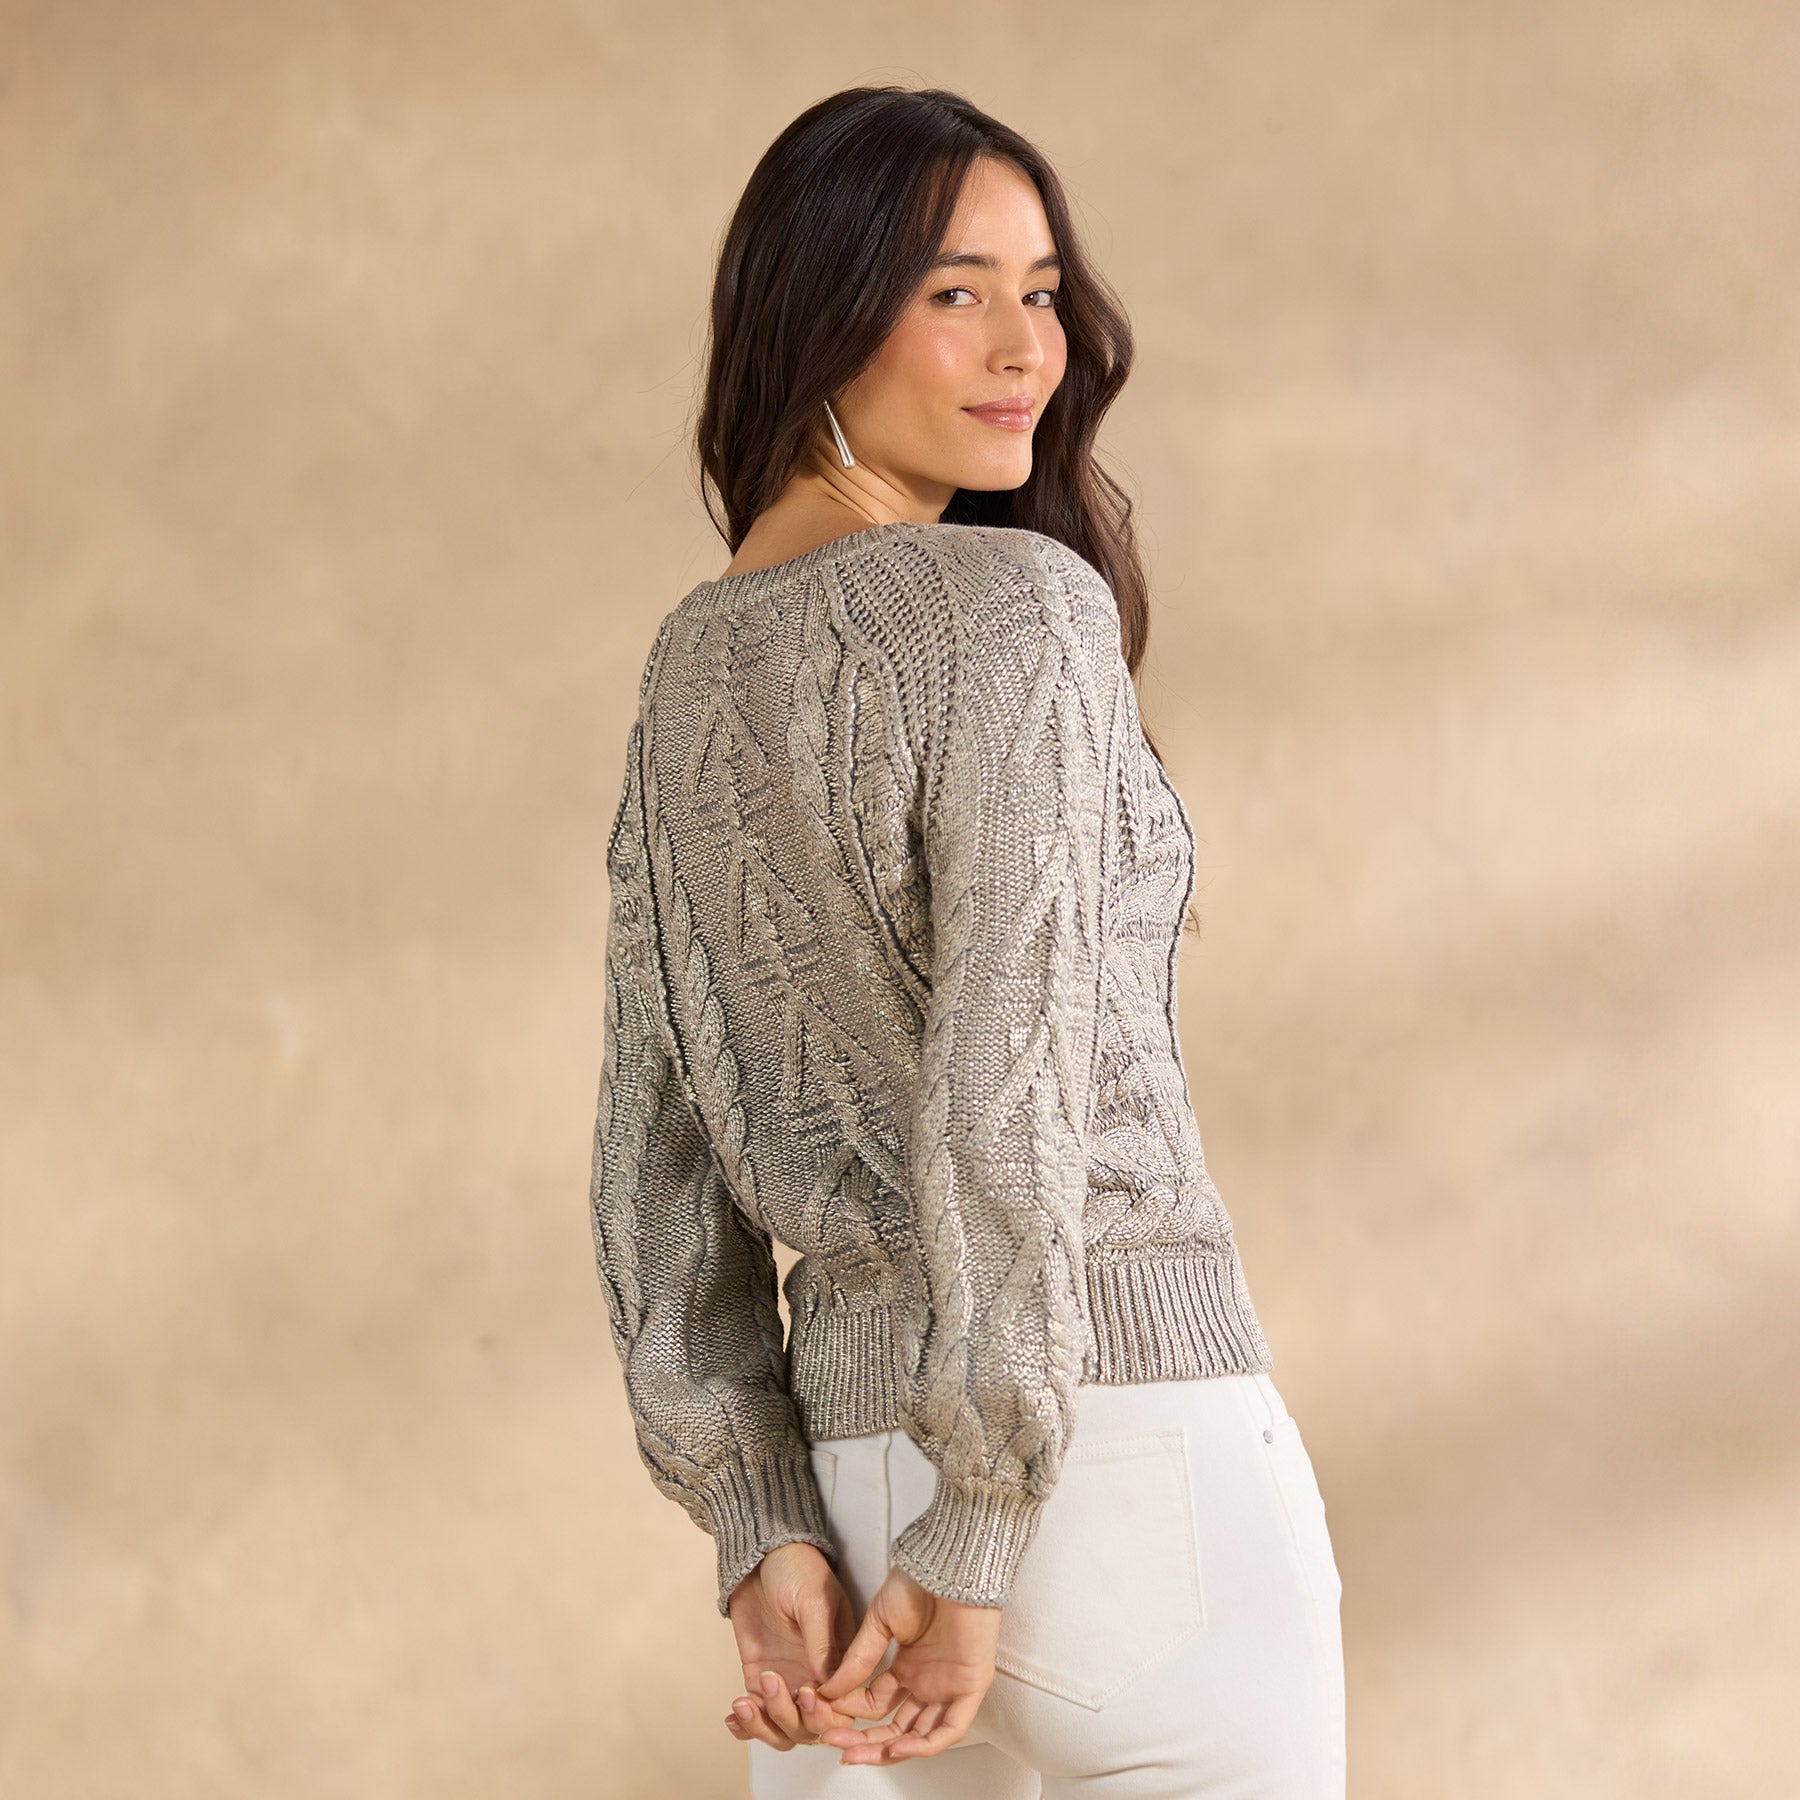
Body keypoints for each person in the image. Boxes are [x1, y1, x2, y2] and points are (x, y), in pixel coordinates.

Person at [588, 83, 1346, 1798]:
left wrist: (757, 1510)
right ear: (822, 313)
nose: (1027, 349)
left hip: (842, 1521)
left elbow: (654, 1147)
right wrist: (991, 1506)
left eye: (1044, 291)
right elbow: (1015, 1067)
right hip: (1113, 1464)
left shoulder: (689, 672)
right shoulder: (1019, 610)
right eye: (956, 291)